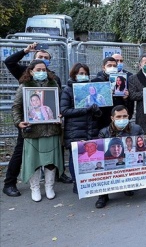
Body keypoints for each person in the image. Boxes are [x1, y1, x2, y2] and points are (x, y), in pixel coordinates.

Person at [3, 44, 73, 196]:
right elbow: (9, 62)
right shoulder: (24, 77)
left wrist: (59, 114)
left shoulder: (54, 79)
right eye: (40, 58)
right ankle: (9, 183)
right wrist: (25, 51)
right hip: (30, 126)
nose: (43, 61)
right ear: (32, 65)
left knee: (52, 153)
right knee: (22, 152)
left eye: (46, 59)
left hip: (49, 125)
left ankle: (56, 178)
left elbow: (58, 102)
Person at [12, 60, 63, 202]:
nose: (42, 72)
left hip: (52, 131)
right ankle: (35, 188)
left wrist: (60, 115)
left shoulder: (54, 86)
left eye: (44, 69)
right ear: (31, 71)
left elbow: (61, 105)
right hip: (32, 132)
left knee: (50, 161)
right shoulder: (24, 87)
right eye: (38, 69)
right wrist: (18, 122)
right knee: (33, 160)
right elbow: (16, 107)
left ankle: (49, 187)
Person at [61, 63, 103, 193]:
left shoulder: (93, 89)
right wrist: (85, 110)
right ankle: (76, 183)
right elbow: (65, 111)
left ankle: (89, 182)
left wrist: (96, 111)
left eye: (85, 73)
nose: (83, 76)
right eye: (80, 73)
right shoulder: (68, 90)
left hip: (91, 128)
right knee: (75, 157)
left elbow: (98, 113)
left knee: (90, 156)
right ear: (74, 75)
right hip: (75, 129)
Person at [96, 105, 144, 208]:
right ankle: (103, 196)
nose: (122, 119)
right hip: (111, 161)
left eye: (124, 116)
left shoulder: (136, 129)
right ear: (112, 118)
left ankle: (127, 186)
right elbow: (99, 151)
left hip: (129, 160)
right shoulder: (104, 132)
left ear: (128, 116)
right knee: (101, 168)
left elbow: (144, 146)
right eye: (118, 117)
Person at [91, 57, 134, 129]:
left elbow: (130, 107)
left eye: (114, 66)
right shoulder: (96, 82)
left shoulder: (123, 81)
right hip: (102, 121)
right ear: (103, 68)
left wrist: (126, 99)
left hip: (119, 120)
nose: (112, 67)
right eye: (109, 65)